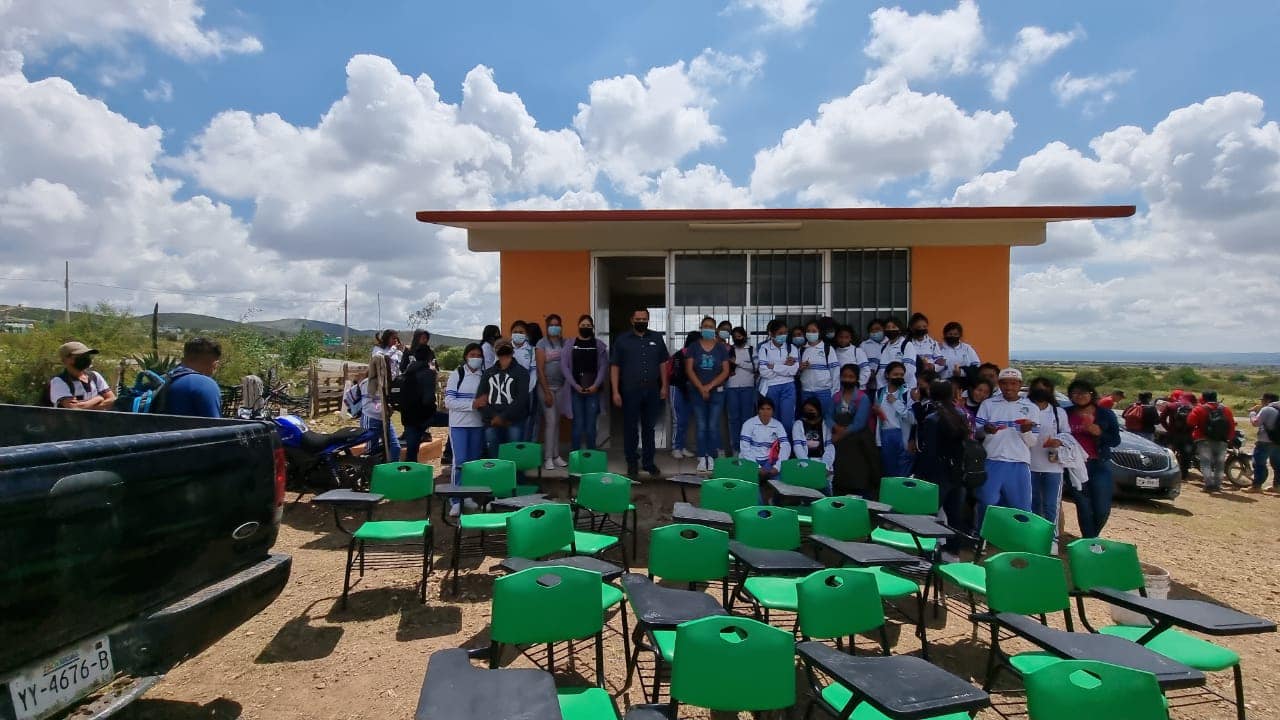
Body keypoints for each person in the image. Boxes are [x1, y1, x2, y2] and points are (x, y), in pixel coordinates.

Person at [610, 308, 670, 477]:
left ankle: (648, 462)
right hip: (630, 390)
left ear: (648, 320)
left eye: (644, 319)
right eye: (638, 319)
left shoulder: (656, 338)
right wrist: (615, 391)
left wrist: (664, 386)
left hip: (652, 389)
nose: (641, 321)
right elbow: (615, 366)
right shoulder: (622, 340)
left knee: (649, 428)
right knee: (630, 428)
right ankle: (632, 462)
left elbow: (663, 364)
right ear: (632, 320)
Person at [974, 368, 1038, 526]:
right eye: (1004, 383)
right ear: (999, 384)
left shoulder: (1031, 407)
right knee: (987, 502)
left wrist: (1026, 431)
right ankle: (982, 536)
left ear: (1020, 385)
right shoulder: (988, 404)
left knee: (1021, 509)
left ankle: (1019, 538)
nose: (1009, 387)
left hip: (1018, 462)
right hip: (992, 459)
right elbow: (976, 433)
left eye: (1013, 383)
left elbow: (1032, 442)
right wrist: (985, 430)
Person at [915, 380, 971, 555]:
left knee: (928, 515)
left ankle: (927, 553)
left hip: (937, 472)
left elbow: (929, 451)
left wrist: (920, 474)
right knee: (955, 515)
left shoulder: (932, 418)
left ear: (931, 394)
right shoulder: (960, 414)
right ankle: (953, 553)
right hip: (957, 472)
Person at [1064, 379, 1121, 537]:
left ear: (1091, 394)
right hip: (1074, 466)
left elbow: (1115, 440)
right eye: (1075, 393)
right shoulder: (1065, 413)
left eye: (1083, 392)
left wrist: (1099, 433)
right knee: (1083, 505)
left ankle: (1092, 538)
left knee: (1102, 507)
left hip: (1099, 464)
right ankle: (1090, 542)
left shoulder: (1105, 414)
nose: (1079, 396)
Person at [443, 343, 486, 516]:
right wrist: (472, 404)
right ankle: (455, 499)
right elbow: (449, 402)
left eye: (479, 355)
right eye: (472, 355)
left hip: (478, 424)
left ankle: (468, 495)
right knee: (459, 462)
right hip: (459, 425)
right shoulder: (457, 374)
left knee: (473, 463)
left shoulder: (484, 375)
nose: (476, 358)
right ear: (466, 357)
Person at [685, 317, 732, 473]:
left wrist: (709, 386)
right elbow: (689, 369)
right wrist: (701, 388)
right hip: (697, 392)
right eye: (705, 326)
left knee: (713, 425)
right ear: (701, 327)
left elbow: (725, 371)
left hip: (717, 393)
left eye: (711, 326)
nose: (708, 328)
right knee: (701, 425)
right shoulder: (693, 347)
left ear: (715, 329)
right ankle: (701, 456)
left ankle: (712, 456)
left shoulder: (721, 348)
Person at [1027, 376, 1070, 534]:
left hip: (1053, 467)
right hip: (1029, 465)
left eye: (1045, 389)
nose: (1041, 392)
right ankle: (1034, 536)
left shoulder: (1058, 412)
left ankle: (1052, 538)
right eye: (1038, 388)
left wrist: (1058, 441)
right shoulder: (1025, 409)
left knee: (1051, 505)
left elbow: (1067, 435)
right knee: (1033, 503)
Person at [562, 314, 607, 452]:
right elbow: (564, 366)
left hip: (593, 391)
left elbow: (603, 367)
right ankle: (575, 456)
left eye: (588, 325)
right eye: (583, 325)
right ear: (578, 326)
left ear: (592, 327)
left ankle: (591, 455)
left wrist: (595, 385)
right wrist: (575, 386)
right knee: (578, 424)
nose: (585, 327)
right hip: (575, 391)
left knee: (591, 426)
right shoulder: (570, 344)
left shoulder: (599, 345)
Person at [831, 363, 878, 495]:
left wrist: (841, 433)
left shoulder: (863, 398)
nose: (847, 379)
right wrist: (835, 427)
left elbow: (859, 422)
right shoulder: (836, 397)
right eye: (845, 376)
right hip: (840, 444)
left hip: (859, 441)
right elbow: (829, 416)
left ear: (857, 378)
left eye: (851, 377)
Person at [480, 340, 531, 460]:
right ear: (495, 352)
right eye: (499, 348)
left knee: (514, 455)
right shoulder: (488, 373)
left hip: (514, 420)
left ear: (512, 352)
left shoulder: (521, 372)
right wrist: (494, 417)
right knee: (494, 456)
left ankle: (515, 472)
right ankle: (497, 472)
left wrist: (503, 417)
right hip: (492, 421)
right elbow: (481, 398)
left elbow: (521, 399)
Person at [535, 314, 570, 470]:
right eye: (551, 325)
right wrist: (547, 391)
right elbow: (540, 370)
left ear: (561, 327)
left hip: (561, 387)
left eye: (557, 324)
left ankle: (556, 456)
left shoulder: (565, 343)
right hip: (546, 388)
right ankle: (548, 457)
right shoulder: (541, 344)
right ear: (547, 326)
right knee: (550, 421)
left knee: (557, 422)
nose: (554, 327)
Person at [156, 337, 223, 418]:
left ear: (183, 358)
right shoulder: (205, 385)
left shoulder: (164, 379)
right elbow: (214, 424)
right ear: (215, 364)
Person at [399, 330, 439, 463]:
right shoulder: (409, 352)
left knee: (412, 447)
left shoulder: (429, 352)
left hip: (412, 411)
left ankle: (410, 467)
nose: (424, 340)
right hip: (420, 408)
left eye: (426, 338)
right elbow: (402, 366)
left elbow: (436, 366)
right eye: (422, 338)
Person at [1187, 390, 1236, 493]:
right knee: (1220, 463)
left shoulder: (1199, 409)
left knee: (1206, 462)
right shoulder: (1226, 409)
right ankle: (1217, 485)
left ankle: (1208, 485)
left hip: (1203, 439)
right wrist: (1229, 438)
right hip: (1222, 440)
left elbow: (1190, 422)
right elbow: (1231, 424)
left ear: (1203, 398)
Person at [757, 319, 799, 432]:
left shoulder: (792, 348)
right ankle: (773, 443)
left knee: (787, 421)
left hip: (788, 387)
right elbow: (764, 372)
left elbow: (794, 370)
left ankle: (786, 443)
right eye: (780, 333)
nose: (783, 336)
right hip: (771, 387)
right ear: (771, 334)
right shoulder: (764, 348)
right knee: (772, 420)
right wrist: (785, 366)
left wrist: (774, 367)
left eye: (785, 333)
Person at [874, 361, 914, 477]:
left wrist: (896, 403)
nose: (899, 377)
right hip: (886, 434)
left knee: (903, 472)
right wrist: (878, 440)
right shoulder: (880, 393)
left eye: (901, 375)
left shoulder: (908, 393)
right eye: (895, 374)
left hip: (902, 435)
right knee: (888, 472)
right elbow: (878, 419)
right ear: (887, 375)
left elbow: (912, 419)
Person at [49, 341, 115, 410]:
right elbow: (74, 407)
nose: (85, 358)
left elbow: (112, 399)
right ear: (66, 359)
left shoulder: (95, 376)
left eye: (87, 355)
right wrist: (98, 398)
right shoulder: (59, 381)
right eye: (80, 355)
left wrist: (85, 407)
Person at [362, 348, 401, 462]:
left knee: (395, 447)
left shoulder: (386, 384)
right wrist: (382, 408)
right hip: (371, 419)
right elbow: (368, 404)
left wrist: (390, 407)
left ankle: (392, 470)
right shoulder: (367, 384)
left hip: (385, 420)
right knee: (371, 450)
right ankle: (371, 471)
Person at [738, 396, 791, 481]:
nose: (765, 412)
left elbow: (786, 446)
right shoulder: (748, 424)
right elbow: (744, 448)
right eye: (762, 409)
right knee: (751, 484)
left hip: (770, 461)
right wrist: (757, 467)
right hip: (751, 460)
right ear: (758, 410)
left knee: (780, 482)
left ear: (773, 411)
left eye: (768, 409)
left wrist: (777, 467)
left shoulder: (778, 425)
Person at [724, 326, 757, 456]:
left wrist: (738, 362)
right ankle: (735, 448)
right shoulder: (729, 350)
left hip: (748, 388)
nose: (737, 339)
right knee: (733, 419)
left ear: (744, 336)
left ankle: (746, 448)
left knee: (747, 419)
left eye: (739, 336)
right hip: (731, 388)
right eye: (735, 337)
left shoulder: (751, 350)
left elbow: (755, 367)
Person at [798, 320, 839, 423]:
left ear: (820, 332)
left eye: (814, 331)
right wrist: (800, 368)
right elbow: (796, 372)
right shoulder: (801, 350)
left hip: (824, 391)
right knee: (808, 419)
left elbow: (835, 372)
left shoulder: (827, 349)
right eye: (808, 331)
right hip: (806, 391)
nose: (810, 333)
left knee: (826, 419)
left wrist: (834, 391)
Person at [668, 331, 699, 461]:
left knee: (685, 420)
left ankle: (682, 446)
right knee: (678, 420)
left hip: (691, 391)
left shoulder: (698, 355)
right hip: (677, 389)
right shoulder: (679, 355)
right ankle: (676, 447)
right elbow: (676, 375)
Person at [792, 397, 834, 485]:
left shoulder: (825, 424)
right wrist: (808, 466)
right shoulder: (798, 424)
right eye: (806, 410)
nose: (808, 413)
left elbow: (830, 448)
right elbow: (798, 447)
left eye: (811, 410)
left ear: (818, 410)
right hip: (805, 463)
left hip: (822, 462)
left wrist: (825, 466)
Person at [507, 320, 538, 441]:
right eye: (515, 332)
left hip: (526, 392)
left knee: (527, 421)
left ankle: (525, 447)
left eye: (521, 332)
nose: (518, 334)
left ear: (526, 334)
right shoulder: (505, 348)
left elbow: (534, 372)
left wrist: (526, 390)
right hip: (507, 393)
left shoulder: (532, 350)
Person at [1248, 393, 1280, 492]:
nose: (1261, 402)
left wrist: (1252, 413)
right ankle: (1277, 486)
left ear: (1268, 400)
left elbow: (1256, 423)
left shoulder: (1267, 409)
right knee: (1277, 465)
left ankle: (1256, 486)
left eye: (1262, 400)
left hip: (1265, 441)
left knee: (1259, 463)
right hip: (1278, 442)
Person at [1161, 393, 1197, 479]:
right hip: (1187, 436)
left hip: (1172, 435)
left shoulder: (1171, 405)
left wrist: (1168, 428)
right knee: (1186, 455)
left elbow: (1162, 418)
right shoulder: (1194, 408)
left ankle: (1167, 472)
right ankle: (1184, 474)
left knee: (1169, 454)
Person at [875, 318, 916, 390]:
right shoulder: (884, 347)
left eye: (893, 327)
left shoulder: (906, 345)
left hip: (904, 388)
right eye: (888, 327)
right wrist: (883, 389)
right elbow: (881, 371)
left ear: (899, 330)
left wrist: (897, 388)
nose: (890, 329)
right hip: (886, 389)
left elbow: (909, 369)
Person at [832, 324, 873, 391]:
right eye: (841, 337)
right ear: (836, 338)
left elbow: (866, 370)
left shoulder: (857, 351)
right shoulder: (833, 353)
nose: (843, 340)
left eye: (846, 337)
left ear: (850, 338)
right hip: (840, 389)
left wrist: (857, 383)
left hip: (857, 389)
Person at [906, 312, 945, 378]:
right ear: (911, 328)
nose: (921, 329)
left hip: (930, 377)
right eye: (918, 327)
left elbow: (941, 363)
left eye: (924, 327)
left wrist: (932, 367)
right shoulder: (906, 343)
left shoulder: (933, 343)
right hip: (913, 377)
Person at [859, 319, 885, 393]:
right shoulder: (864, 345)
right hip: (869, 385)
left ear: (884, 329)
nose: (874, 332)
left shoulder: (889, 343)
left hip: (885, 384)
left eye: (877, 329)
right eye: (872, 330)